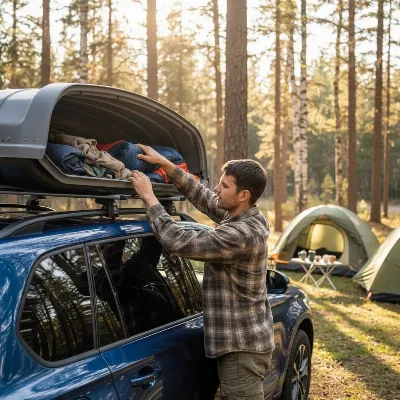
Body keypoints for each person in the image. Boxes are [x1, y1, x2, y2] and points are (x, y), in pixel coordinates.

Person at [130, 144, 274, 400]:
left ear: (243, 195)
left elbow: (177, 241)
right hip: (241, 344)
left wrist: (150, 199)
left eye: (224, 185)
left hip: (241, 349)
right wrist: (166, 165)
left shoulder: (241, 235)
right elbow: (204, 196)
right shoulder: (245, 216)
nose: (216, 188)